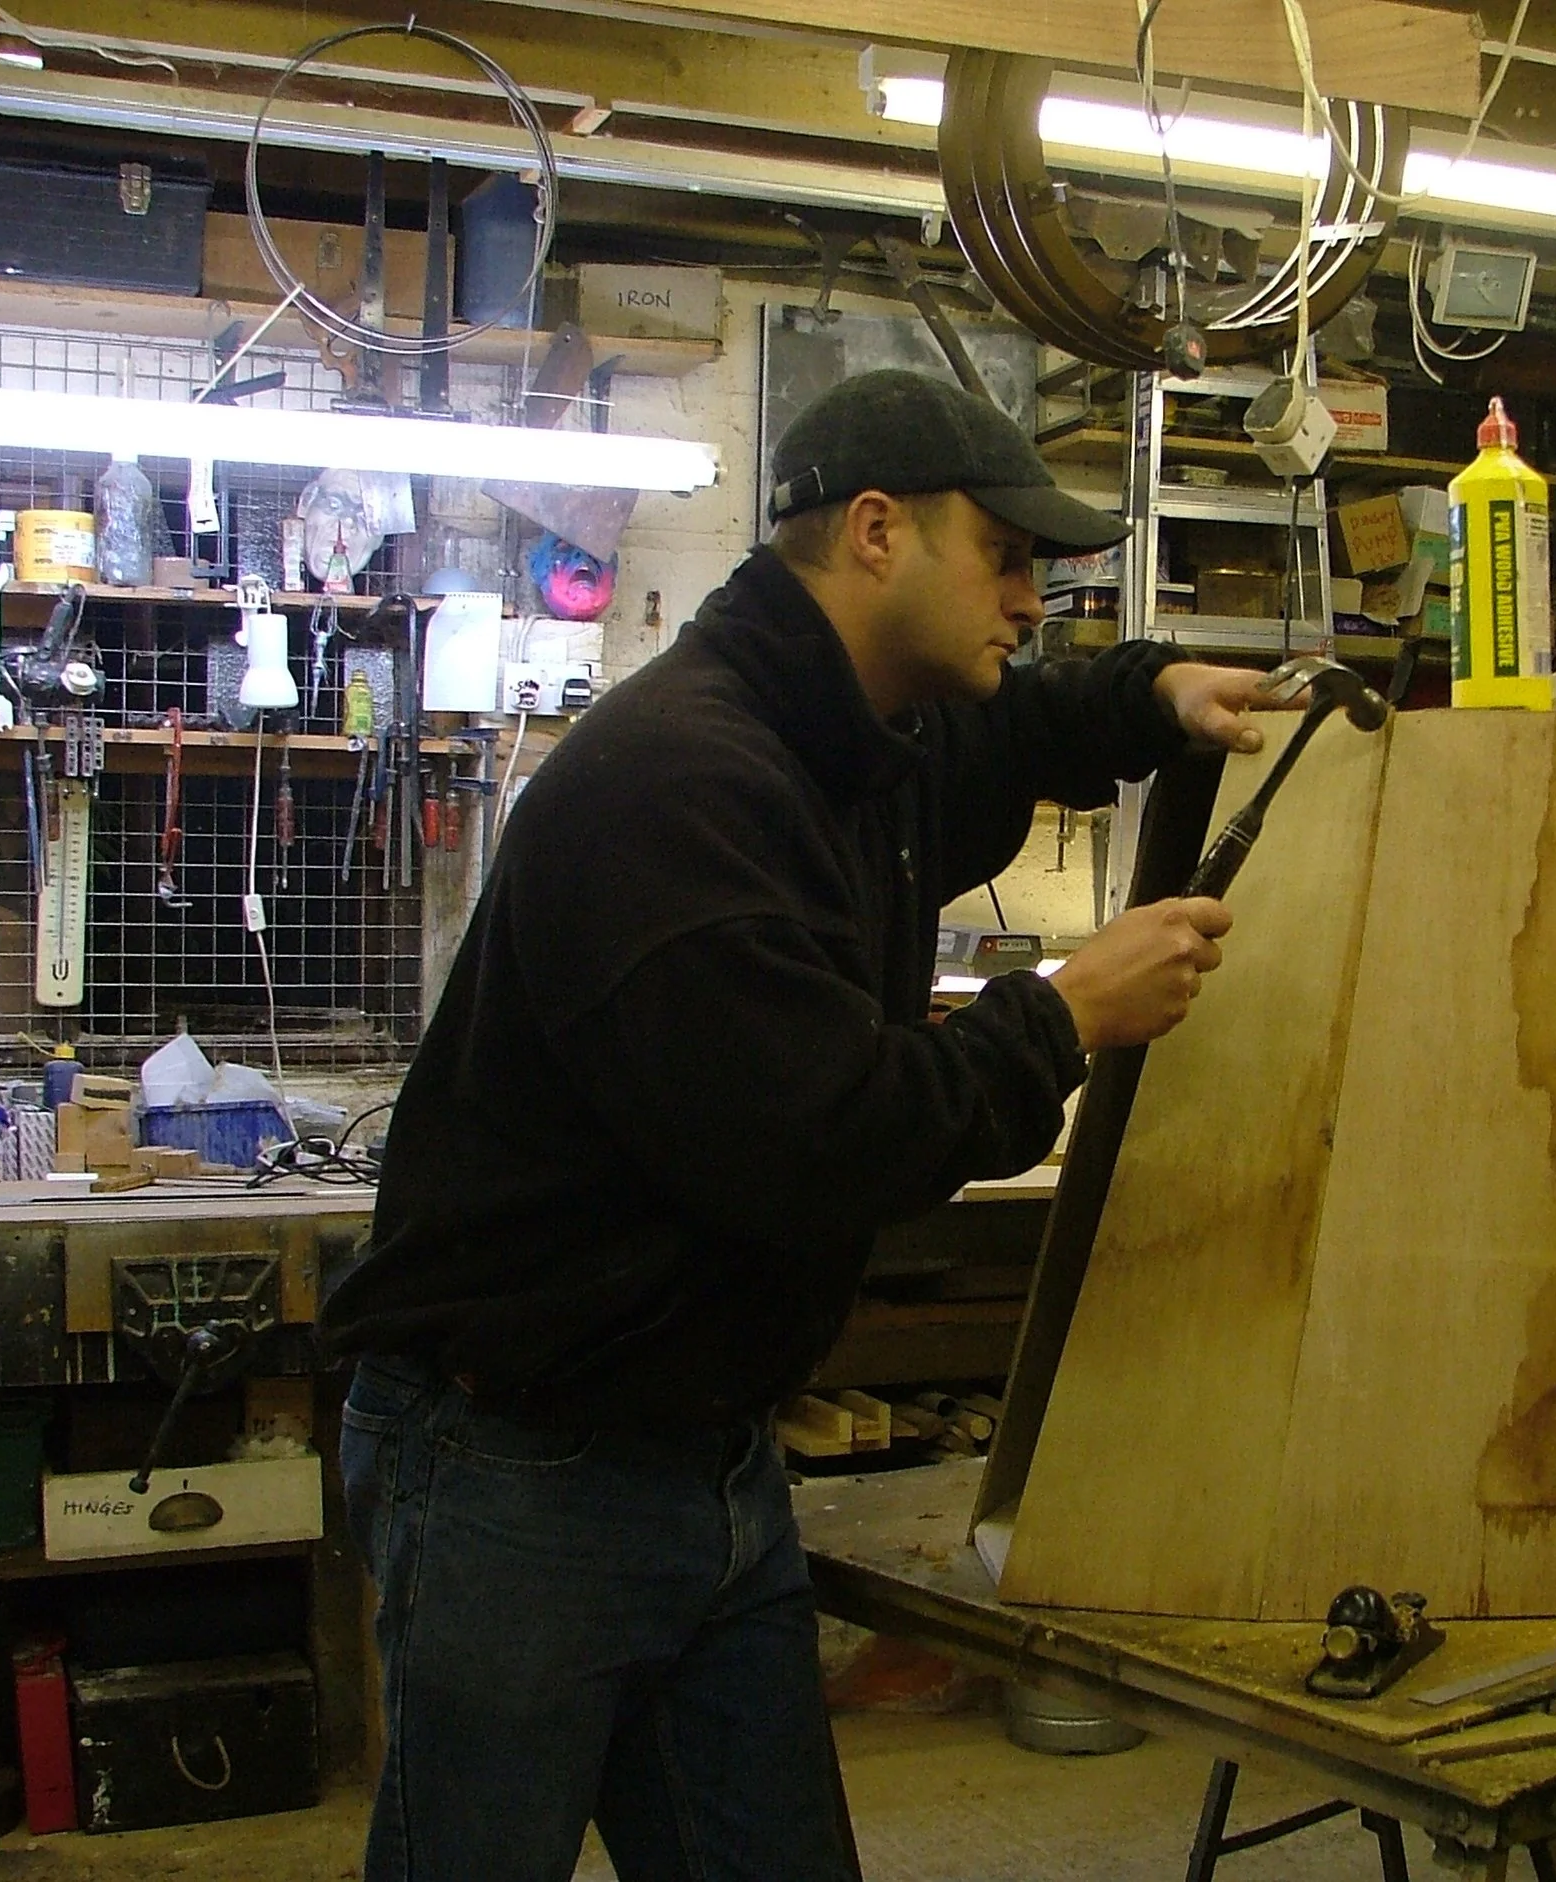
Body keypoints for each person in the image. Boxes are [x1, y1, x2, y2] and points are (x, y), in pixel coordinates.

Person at [319, 368, 1281, 1881]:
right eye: (1010, 557)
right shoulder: (683, 782)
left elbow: (1014, 733)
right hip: (518, 1457)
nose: (1034, 597)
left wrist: (1156, 694)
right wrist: (1066, 1012)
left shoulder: (858, 740)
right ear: (880, 532)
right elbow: (825, 1138)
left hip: (704, 1453)